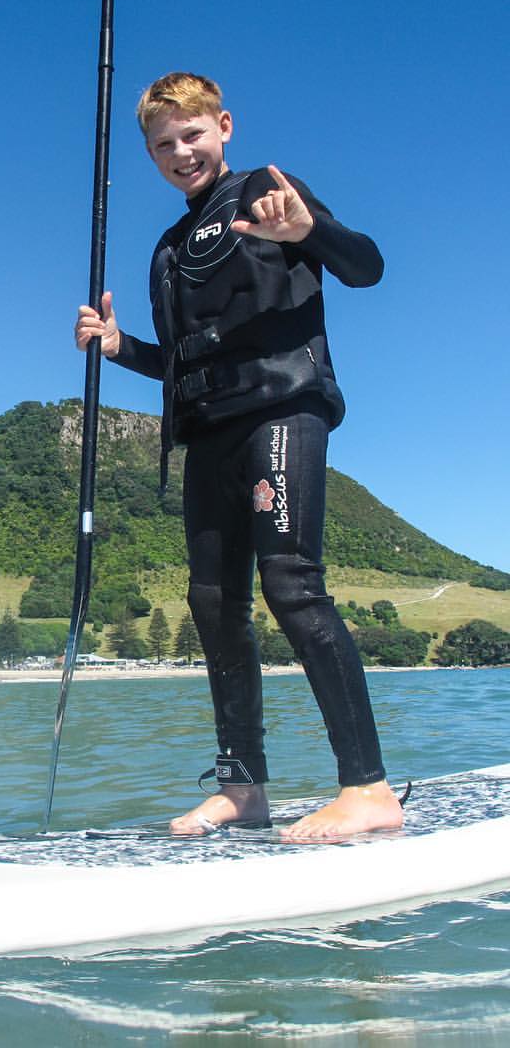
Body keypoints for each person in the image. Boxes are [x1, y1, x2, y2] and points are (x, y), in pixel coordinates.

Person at [75, 72, 402, 841]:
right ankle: (242, 786)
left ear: (223, 126)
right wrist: (121, 349)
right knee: (214, 607)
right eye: (163, 144)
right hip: (209, 434)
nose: (180, 152)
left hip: (282, 411)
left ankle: (368, 789)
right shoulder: (168, 248)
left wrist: (305, 235)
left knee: (291, 586)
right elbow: (185, 363)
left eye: (192, 134)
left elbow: (366, 266)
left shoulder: (267, 192)